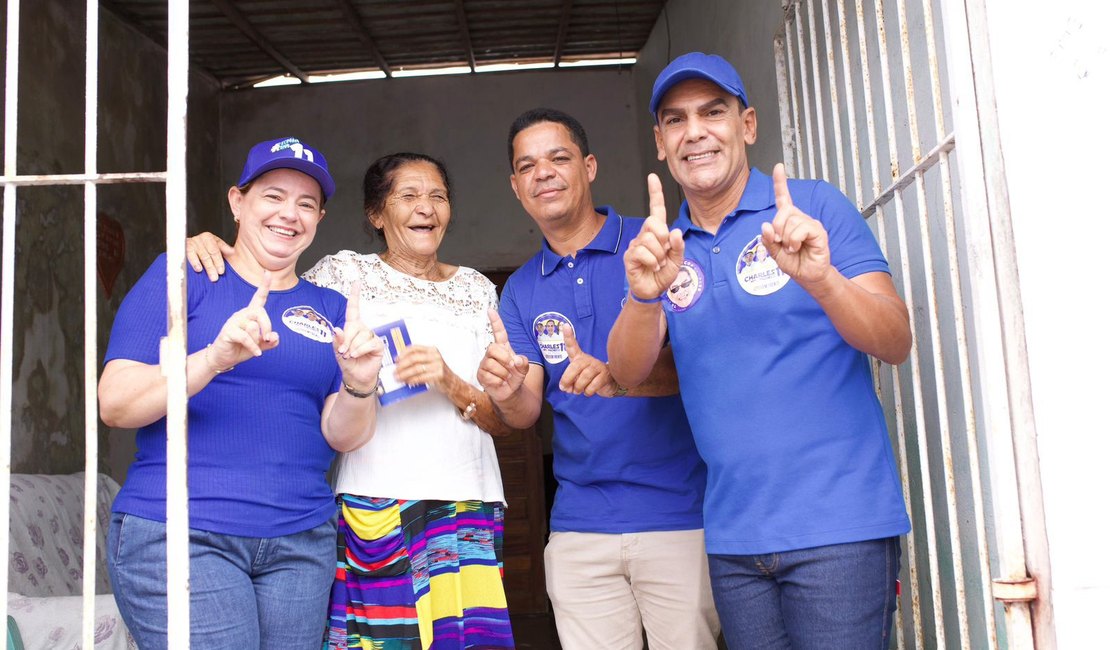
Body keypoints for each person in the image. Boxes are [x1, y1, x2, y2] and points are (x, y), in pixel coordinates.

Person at [607, 52, 913, 649]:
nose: (695, 131)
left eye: (713, 112)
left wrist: (822, 279)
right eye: (676, 120)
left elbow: (895, 339)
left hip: (840, 528)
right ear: (661, 144)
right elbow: (626, 372)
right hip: (734, 539)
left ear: (746, 125)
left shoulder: (811, 209)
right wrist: (643, 298)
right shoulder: (663, 246)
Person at [187, 152, 516, 649]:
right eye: (408, 196)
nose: (426, 207)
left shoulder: (476, 289)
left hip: (466, 499)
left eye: (438, 197)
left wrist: (450, 381)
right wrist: (212, 246)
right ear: (376, 214)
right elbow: (268, 281)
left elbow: (502, 419)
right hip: (372, 499)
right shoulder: (343, 275)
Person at [98, 136, 385, 650]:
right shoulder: (182, 275)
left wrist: (359, 384)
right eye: (273, 196)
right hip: (182, 531)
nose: (288, 214)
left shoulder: (335, 309)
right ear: (237, 202)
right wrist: (212, 360)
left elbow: (342, 437)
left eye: (305, 203)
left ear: (320, 218)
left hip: (300, 542)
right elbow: (115, 404)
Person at [477, 108, 719, 649]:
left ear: (588, 167)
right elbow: (526, 413)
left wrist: (618, 375)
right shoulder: (519, 290)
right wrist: (506, 389)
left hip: (678, 514)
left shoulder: (655, 245)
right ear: (516, 187)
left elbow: (705, 366)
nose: (544, 173)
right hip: (580, 526)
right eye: (528, 166)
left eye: (559, 158)